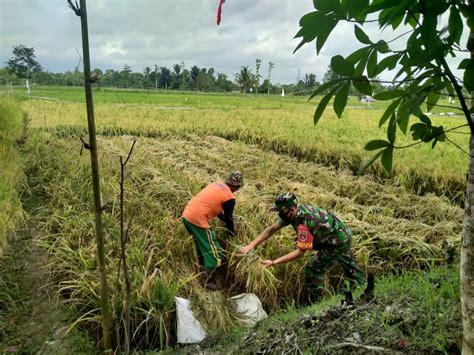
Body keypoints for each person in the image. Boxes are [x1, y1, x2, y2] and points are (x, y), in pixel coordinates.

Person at [239, 192, 366, 304]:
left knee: (313, 270)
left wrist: (273, 262)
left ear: (292, 209)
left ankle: (319, 304)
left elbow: (300, 252)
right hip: (340, 234)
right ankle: (365, 289)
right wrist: (250, 245)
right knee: (350, 267)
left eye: (281, 211)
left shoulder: (305, 222)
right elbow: (272, 229)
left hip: (336, 242)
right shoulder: (294, 213)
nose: (280, 214)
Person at [182, 171, 243, 290]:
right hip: (197, 220)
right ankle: (209, 282)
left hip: (187, 215)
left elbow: (217, 208)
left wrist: (224, 220)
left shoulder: (215, 185)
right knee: (213, 251)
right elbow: (229, 217)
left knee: (201, 245)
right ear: (238, 187)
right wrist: (231, 231)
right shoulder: (230, 197)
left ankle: (201, 269)